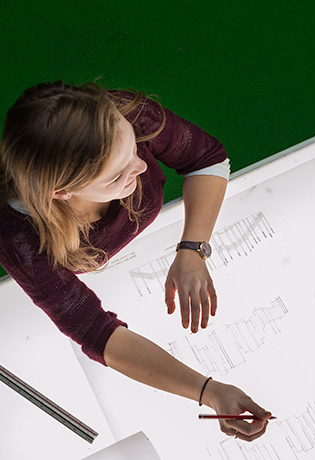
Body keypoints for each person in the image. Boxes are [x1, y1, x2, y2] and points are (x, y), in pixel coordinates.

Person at [0, 82, 271, 440]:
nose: (143, 165)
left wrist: (193, 248)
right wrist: (208, 392)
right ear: (62, 193)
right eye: (117, 176)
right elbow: (96, 331)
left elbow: (206, 158)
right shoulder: (18, 237)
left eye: (133, 149)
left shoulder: (124, 116)